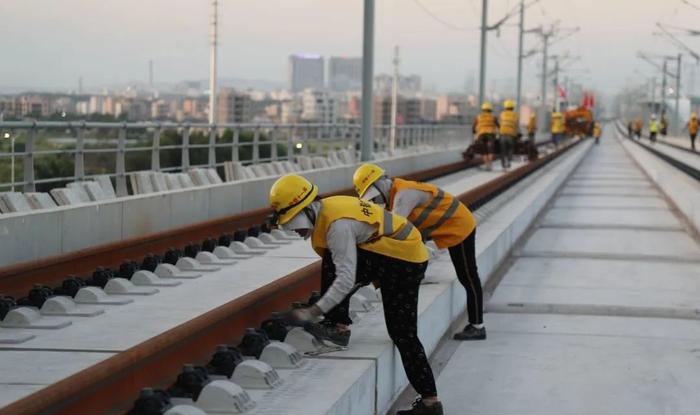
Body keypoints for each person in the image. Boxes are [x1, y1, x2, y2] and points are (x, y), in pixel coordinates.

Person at [269, 174, 444, 415]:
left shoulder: (337, 227)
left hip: (402, 259)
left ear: (306, 209)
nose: (295, 231)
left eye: (294, 223)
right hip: (399, 254)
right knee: (402, 332)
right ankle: (430, 402)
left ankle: (337, 327)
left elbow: (345, 278)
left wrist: (312, 312)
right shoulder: (329, 208)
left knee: (403, 333)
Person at [352, 163, 486, 341]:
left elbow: (393, 229)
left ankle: (477, 326)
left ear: (380, 182)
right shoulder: (394, 195)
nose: (376, 201)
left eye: (374, 196)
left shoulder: (403, 195)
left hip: (459, 226)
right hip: (443, 226)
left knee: (467, 275)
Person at [472, 102, 499, 170]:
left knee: (484, 151)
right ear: (490, 109)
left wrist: (474, 132)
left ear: (483, 109)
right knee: (490, 151)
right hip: (490, 135)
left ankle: (487, 165)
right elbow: (498, 126)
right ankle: (490, 165)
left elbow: (474, 127)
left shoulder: (478, 117)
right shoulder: (493, 117)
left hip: (481, 135)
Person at [499, 100, 519, 170]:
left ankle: (503, 164)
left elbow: (500, 123)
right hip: (511, 134)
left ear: (505, 107)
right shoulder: (515, 115)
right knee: (510, 148)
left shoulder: (502, 114)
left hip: (502, 134)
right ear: (512, 107)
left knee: (503, 150)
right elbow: (516, 125)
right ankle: (509, 160)